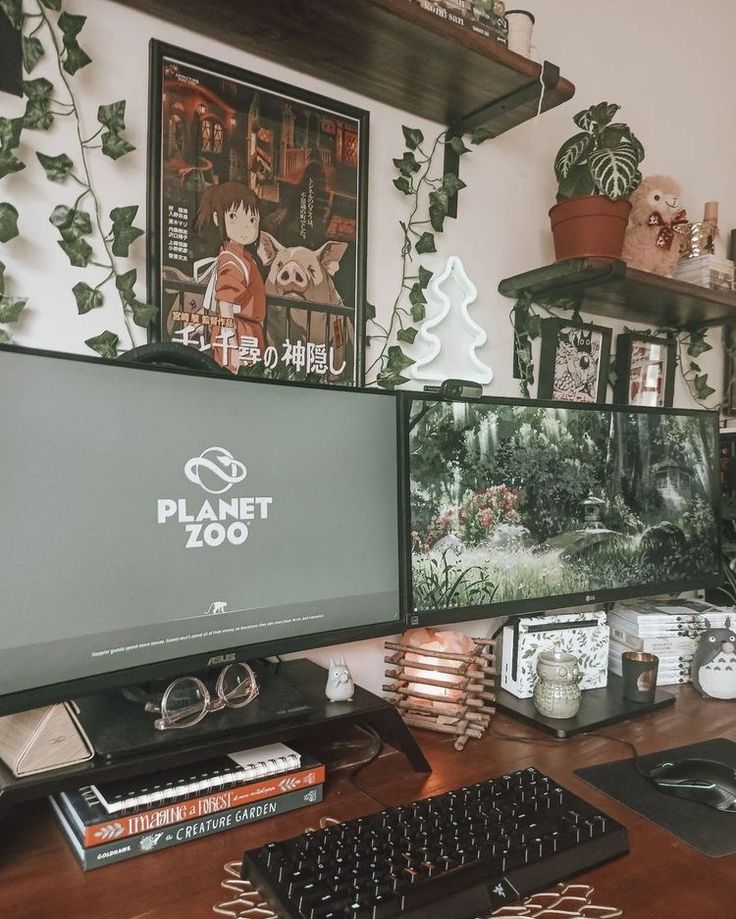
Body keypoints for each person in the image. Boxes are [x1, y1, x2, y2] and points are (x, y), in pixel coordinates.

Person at [194, 182, 266, 373]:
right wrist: (232, 346)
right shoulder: (232, 260)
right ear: (218, 219)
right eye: (234, 216)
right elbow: (225, 304)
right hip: (239, 333)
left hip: (246, 333)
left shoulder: (239, 257)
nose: (246, 227)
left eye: (252, 220)